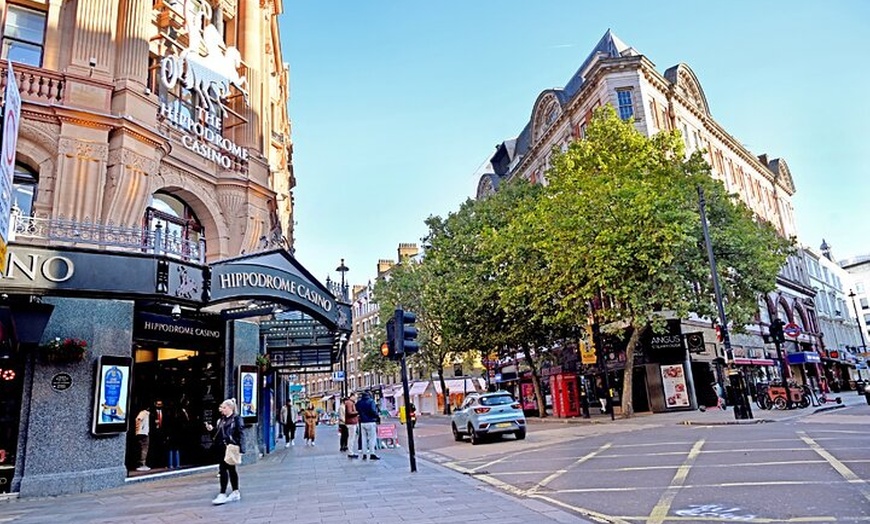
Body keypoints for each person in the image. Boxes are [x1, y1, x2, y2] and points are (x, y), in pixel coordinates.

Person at [206, 398, 244, 505]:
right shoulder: (222, 420)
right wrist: (211, 429)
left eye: (224, 407)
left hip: (231, 447)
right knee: (227, 469)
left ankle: (224, 493)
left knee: (226, 469)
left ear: (230, 408)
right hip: (222, 447)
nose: (221, 409)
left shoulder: (236, 419)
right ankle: (234, 492)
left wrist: (241, 448)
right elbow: (218, 433)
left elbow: (241, 433)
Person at [355, 391, 380, 461]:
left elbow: (356, 410)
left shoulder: (359, 402)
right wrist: (377, 416)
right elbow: (373, 410)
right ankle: (372, 453)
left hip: (362, 422)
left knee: (363, 438)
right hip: (370, 421)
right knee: (372, 438)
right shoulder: (371, 401)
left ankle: (364, 454)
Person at [134, 406, 151, 471]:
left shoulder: (147, 413)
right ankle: (141, 464)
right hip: (143, 433)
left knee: (144, 448)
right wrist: (139, 429)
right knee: (144, 448)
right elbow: (138, 419)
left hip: (144, 432)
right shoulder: (144, 413)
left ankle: (142, 463)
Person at [344, 392, 360, 459]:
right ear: (352, 396)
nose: (356, 398)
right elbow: (349, 413)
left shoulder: (350, 403)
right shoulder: (349, 403)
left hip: (351, 422)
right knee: (351, 438)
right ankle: (350, 452)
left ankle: (351, 452)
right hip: (351, 422)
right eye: (355, 397)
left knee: (351, 437)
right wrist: (357, 412)